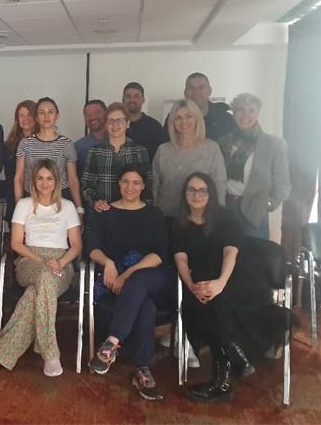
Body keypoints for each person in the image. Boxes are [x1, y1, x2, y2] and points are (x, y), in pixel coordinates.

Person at [172, 172, 291, 402]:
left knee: (217, 306)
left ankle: (223, 381)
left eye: (203, 190)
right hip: (200, 283)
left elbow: (230, 254)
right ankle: (236, 356)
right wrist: (192, 287)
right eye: (191, 190)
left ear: (211, 194)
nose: (197, 195)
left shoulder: (226, 218)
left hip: (235, 277)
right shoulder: (180, 225)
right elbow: (181, 260)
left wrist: (219, 284)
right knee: (197, 308)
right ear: (185, 194)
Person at [0, 159, 82, 377]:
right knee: (44, 277)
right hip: (29, 260)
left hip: (61, 262)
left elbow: (76, 245)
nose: (45, 183)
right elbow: (17, 243)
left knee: (33, 294)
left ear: (56, 181)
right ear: (33, 181)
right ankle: (50, 353)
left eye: (49, 178)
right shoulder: (24, 205)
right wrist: (40, 260)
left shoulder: (67, 206)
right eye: (40, 178)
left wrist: (61, 262)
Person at [86, 164, 173, 401]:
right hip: (115, 280)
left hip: (152, 277)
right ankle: (142, 369)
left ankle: (112, 342)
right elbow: (91, 247)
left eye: (136, 182)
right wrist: (109, 263)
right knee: (146, 307)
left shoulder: (154, 214)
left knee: (140, 280)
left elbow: (160, 254)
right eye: (125, 181)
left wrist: (128, 274)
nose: (130, 187)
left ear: (143, 185)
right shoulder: (105, 212)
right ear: (118, 183)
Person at [218, 93, 291, 240]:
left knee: (255, 252)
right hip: (226, 207)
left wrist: (268, 204)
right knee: (225, 251)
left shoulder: (274, 144)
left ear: (258, 113)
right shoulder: (223, 142)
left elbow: (283, 184)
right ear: (234, 113)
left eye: (251, 110)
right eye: (241, 110)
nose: (246, 115)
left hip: (255, 210)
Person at [153, 99, 227, 220]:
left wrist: (217, 216)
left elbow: (219, 185)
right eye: (178, 118)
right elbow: (154, 186)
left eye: (189, 116)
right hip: (166, 216)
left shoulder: (212, 149)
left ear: (197, 119)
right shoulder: (163, 150)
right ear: (172, 122)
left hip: (200, 219)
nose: (184, 122)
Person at [81, 102, 152, 223]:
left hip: (133, 214)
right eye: (111, 121)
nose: (115, 125)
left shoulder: (140, 151)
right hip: (104, 213)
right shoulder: (95, 151)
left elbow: (148, 185)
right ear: (105, 124)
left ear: (128, 123)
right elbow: (86, 186)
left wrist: (147, 211)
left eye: (120, 120)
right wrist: (95, 202)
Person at [14, 97, 84, 220]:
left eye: (50, 112)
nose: (46, 116)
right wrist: (19, 207)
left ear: (57, 115)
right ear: (36, 117)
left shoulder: (66, 144)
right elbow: (19, 178)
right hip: (32, 200)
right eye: (42, 112)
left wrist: (79, 209)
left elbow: (73, 180)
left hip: (60, 201)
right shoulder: (25, 143)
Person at [164, 73, 235, 142]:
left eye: (201, 87)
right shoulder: (174, 118)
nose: (196, 92)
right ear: (185, 93)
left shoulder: (225, 118)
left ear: (209, 91)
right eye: (191, 88)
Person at [3, 100, 38, 222]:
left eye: (29, 115)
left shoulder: (43, 142)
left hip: (37, 198)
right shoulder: (9, 144)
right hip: (14, 198)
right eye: (21, 115)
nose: (25, 119)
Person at [123, 82, 166, 161]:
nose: (132, 100)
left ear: (143, 100)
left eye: (136, 96)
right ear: (123, 99)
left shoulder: (155, 127)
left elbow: (159, 158)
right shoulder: (115, 126)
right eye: (128, 96)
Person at [74, 99, 108, 176]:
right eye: (87, 115)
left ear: (106, 114)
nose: (92, 117)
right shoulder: (77, 147)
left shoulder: (123, 142)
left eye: (96, 113)